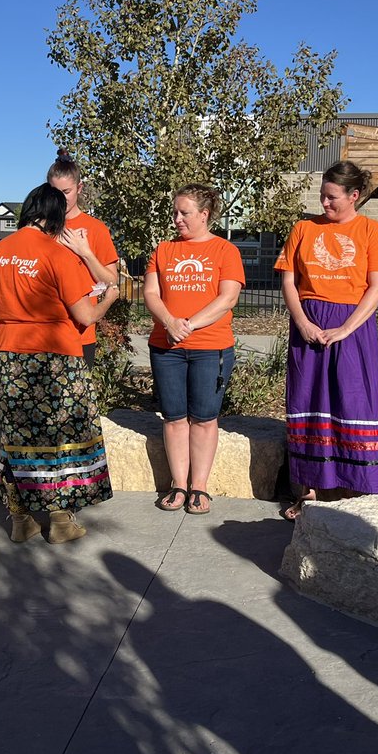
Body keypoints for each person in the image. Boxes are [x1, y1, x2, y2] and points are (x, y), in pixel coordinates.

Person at [0, 183, 118, 543]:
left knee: (18, 434)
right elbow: (85, 315)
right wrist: (110, 297)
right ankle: (60, 519)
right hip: (57, 354)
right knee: (63, 434)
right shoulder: (57, 254)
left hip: (10, 353)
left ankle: (20, 519)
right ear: (56, 216)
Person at [276, 161, 378, 520]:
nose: (325, 203)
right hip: (308, 324)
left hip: (352, 326)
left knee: (353, 401)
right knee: (308, 400)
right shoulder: (303, 228)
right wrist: (303, 322)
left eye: (332, 197)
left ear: (354, 196)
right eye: (322, 196)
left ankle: (355, 492)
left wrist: (346, 328)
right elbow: (288, 281)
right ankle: (309, 491)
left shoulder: (372, 231)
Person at [144, 184, 245, 516]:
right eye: (175, 212)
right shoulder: (163, 250)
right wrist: (170, 322)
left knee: (203, 419)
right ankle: (178, 485)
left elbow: (227, 298)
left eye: (184, 213)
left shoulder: (225, 250)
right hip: (166, 347)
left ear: (204, 214)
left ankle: (199, 487)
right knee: (173, 418)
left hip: (210, 347)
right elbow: (151, 293)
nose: (177, 219)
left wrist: (187, 324)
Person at [47, 148, 120, 366]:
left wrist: (85, 252)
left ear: (79, 188)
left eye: (66, 192)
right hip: (42, 333)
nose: (61, 199)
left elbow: (111, 281)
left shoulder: (95, 229)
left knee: (76, 398)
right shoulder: (41, 227)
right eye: (54, 192)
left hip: (80, 334)